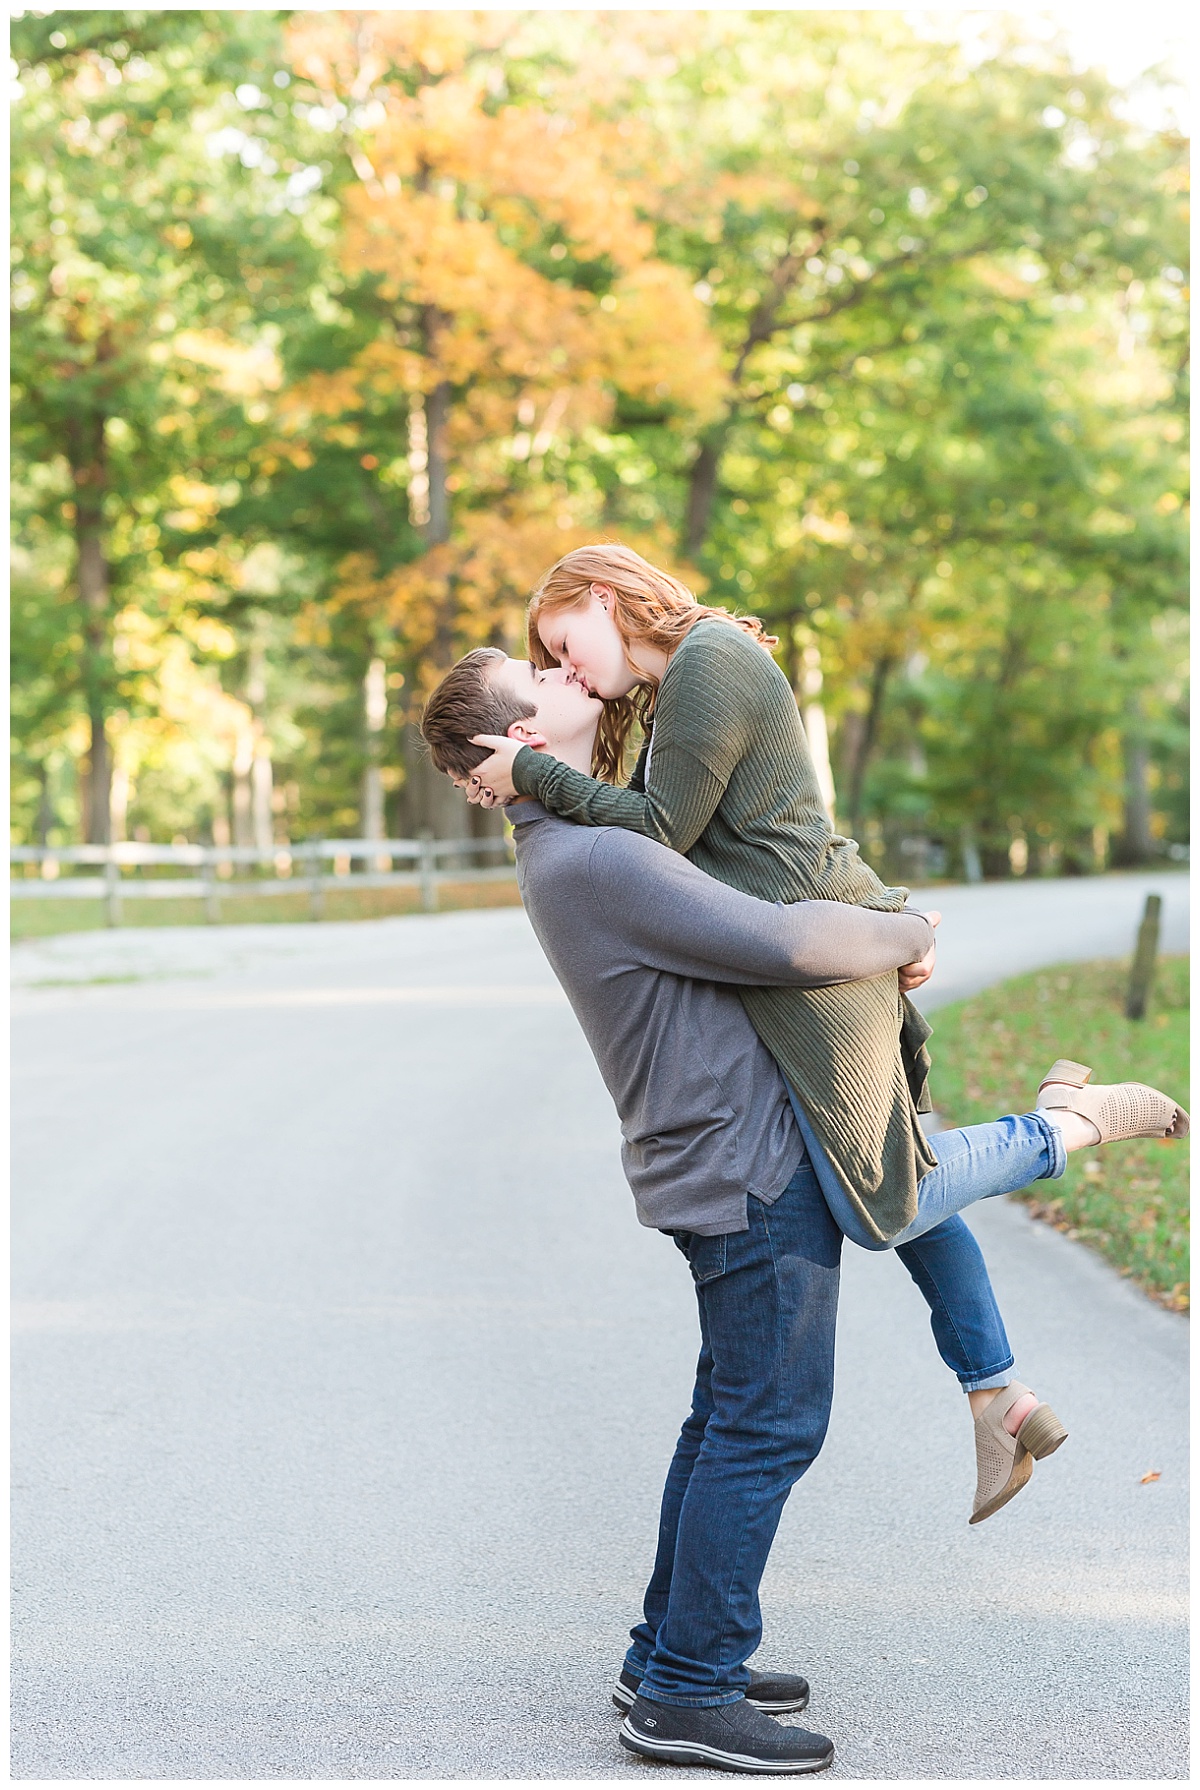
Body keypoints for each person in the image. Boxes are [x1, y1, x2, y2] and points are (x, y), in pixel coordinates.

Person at [419, 647, 1186, 1776]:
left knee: (726, 1418)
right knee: (769, 1424)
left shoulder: (582, 840)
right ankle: (687, 1690)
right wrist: (910, 932)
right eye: (541, 677)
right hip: (746, 1168)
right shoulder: (596, 855)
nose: (564, 670)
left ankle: (668, 1654)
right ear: (523, 741)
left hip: (722, 1157)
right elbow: (785, 944)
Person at [463, 546, 1188, 1521]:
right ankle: (995, 1395)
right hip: (809, 956)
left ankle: (1068, 1123)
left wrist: (534, 771)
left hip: (822, 961)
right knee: (895, 1177)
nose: (569, 668)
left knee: (880, 1192)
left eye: (562, 644)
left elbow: (663, 832)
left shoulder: (709, 659)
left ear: (602, 597)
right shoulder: (676, 688)